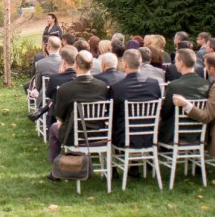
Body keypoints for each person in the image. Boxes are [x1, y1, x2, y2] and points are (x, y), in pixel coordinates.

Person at [47, 50, 107, 181]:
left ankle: (55, 170)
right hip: (100, 134)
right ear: (92, 66)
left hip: (74, 135)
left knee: (53, 128)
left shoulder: (65, 89)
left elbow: (59, 116)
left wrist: (60, 122)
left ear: (75, 66)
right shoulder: (103, 87)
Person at [110, 49, 161, 148]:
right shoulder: (154, 84)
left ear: (125, 64)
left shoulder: (117, 87)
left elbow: (113, 115)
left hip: (124, 138)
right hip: (150, 136)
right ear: (140, 63)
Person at [159, 49, 210, 144]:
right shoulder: (206, 84)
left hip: (176, 134)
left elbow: (165, 113)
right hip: (199, 133)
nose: (175, 64)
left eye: (176, 61)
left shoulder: (174, 85)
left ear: (181, 63)